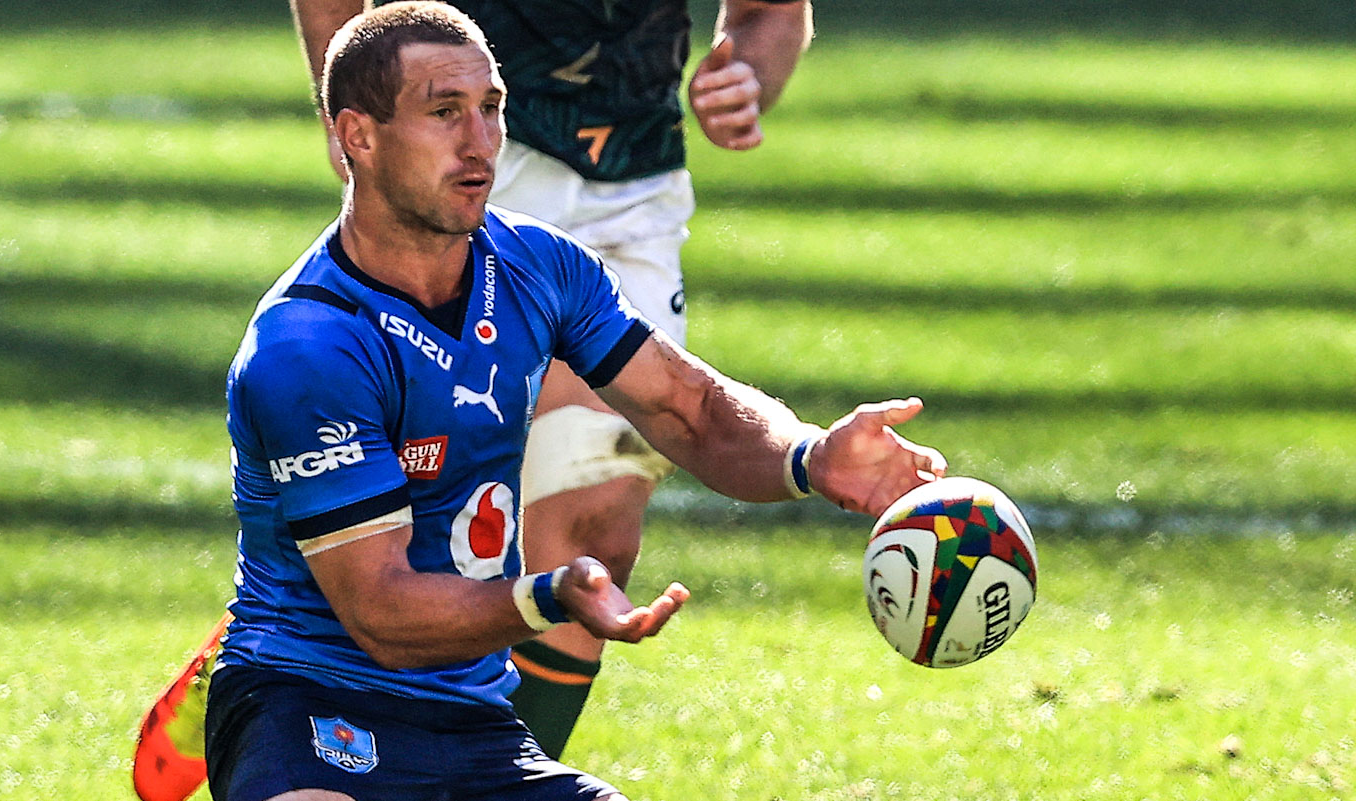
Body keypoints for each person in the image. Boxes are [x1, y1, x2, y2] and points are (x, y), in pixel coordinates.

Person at [193, 4, 944, 800]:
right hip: (311, 702)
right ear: (359, 136)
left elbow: (688, 409)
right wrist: (547, 594)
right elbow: (381, 613)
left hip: (472, 724)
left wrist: (810, 456)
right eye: (445, 113)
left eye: (491, 109)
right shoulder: (308, 344)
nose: (480, 141)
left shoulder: (542, 266)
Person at [301, 0, 815, 760]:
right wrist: (349, 111)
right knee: (454, 519)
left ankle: (488, 776)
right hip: (481, 151)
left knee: (596, 532)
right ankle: (286, 654)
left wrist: (747, 74)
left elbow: (770, 11)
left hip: (635, 183)